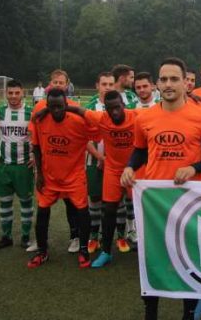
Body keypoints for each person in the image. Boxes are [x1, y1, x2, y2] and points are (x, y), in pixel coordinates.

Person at [120, 57, 201, 320]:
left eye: (174, 79)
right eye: (163, 79)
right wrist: (130, 167)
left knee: (189, 262)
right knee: (152, 261)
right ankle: (150, 312)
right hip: (155, 202)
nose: (168, 84)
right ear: (157, 84)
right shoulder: (145, 118)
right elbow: (140, 152)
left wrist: (194, 168)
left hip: (190, 200)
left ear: (185, 83)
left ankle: (188, 313)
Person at [65, 91, 137, 267]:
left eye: (117, 108)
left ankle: (147, 250)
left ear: (124, 106)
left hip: (134, 170)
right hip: (112, 170)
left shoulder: (137, 117)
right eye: (110, 109)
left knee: (142, 210)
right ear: (105, 109)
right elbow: (79, 111)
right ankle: (106, 251)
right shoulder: (101, 118)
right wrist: (47, 109)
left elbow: (161, 112)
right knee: (108, 210)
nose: (114, 112)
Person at [28, 88, 96, 269]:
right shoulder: (41, 120)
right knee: (42, 212)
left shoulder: (78, 122)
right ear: (47, 106)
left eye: (59, 106)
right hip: (49, 178)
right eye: (52, 107)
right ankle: (42, 252)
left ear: (66, 105)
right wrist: (40, 174)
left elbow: (98, 129)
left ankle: (83, 250)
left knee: (82, 212)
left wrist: (73, 110)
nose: (56, 110)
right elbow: (36, 147)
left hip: (74, 177)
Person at [33, 69, 82, 254]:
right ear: (50, 83)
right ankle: (41, 243)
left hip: (69, 170)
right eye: (55, 82)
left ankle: (75, 237)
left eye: (61, 82)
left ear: (67, 83)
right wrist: (38, 171)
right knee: (42, 206)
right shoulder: (39, 108)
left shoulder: (75, 107)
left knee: (72, 205)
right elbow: (35, 140)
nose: (58, 85)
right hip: (48, 169)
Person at [0, 79, 37, 251]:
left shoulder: (31, 113)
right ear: (6, 94)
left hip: (24, 166)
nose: (14, 96)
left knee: (26, 202)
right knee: (5, 202)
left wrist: (35, 155)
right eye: (10, 93)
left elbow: (37, 137)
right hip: (4, 166)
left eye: (17, 93)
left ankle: (25, 237)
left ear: (22, 93)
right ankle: (6, 236)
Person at [83, 72, 117, 254]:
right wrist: (99, 157)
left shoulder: (120, 106)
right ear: (97, 85)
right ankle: (93, 236)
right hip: (93, 161)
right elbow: (84, 138)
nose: (108, 88)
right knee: (95, 199)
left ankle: (118, 236)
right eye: (104, 84)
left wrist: (111, 159)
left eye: (111, 84)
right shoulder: (89, 108)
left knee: (115, 202)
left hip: (115, 163)